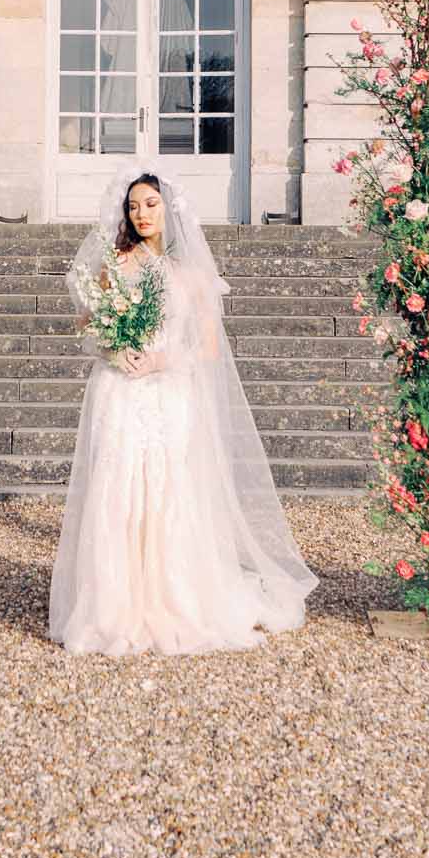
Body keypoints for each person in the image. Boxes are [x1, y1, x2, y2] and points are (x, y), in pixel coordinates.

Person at [49, 166, 319, 656]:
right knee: (118, 491)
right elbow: (87, 324)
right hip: (119, 391)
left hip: (170, 392)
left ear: (168, 208)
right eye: (133, 206)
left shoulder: (192, 275)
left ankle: (174, 595)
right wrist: (112, 351)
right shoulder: (116, 263)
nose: (141, 213)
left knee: (168, 492)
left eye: (150, 203)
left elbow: (208, 349)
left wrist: (159, 358)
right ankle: (113, 606)